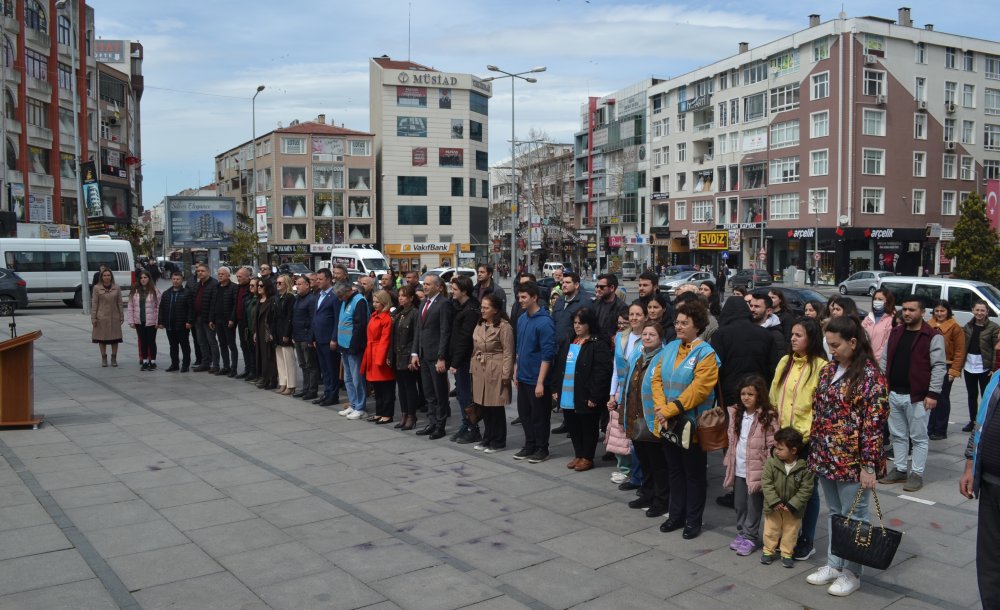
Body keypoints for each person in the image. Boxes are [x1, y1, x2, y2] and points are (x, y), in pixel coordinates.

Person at [806, 315, 888, 597]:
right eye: (829, 344)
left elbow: (874, 424)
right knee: (837, 513)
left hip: (853, 460)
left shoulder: (870, 377)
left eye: (836, 345)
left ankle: (853, 572)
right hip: (826, 455)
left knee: (857, 517)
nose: (832, 350)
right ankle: (834, 563)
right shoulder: (829, 370)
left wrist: (869, 465)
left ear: (853, 342)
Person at [653, 300, 721, 540]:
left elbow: (700, 389)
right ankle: (676, 515)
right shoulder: (671, 346)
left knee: (693, 475)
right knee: (674, 471)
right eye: (677, 322)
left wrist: (670, 409)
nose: (679, 326)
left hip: (691, 425)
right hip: (668, 422)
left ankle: (693, 520)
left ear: (698, 326)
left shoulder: (706, 354)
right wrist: (661, 408)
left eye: (684, 323)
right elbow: (656, 378)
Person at [769, 316, 828, 561]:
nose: (792, 338)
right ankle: (785, 535)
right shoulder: (785, 361)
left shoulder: (822, 367)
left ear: (811, 339)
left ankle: (807, 539)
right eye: (791, 334)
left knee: (808, 491)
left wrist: (803, 437)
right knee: (782, 488)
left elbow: (820, 407)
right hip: (782, 438)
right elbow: (774, 396)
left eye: (798, 335)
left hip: (805, 440)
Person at [878, 296, 946, 493]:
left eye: (912, 310)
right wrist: (882, 386)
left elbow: (939, 367)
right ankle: (899, 470)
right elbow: (884, 360)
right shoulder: (896, 332)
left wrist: (933, 394)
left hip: (917, 397)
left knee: (918, 437)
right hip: (893, 393)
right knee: (898, 436)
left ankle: (916, 473)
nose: (907, 313)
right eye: (905, 309)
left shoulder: (932, 336)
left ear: (922, 312)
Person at [551, 307, 613, 472]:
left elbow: (602, 371)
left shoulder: (597, 343)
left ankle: (587, 457)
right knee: (573, 426)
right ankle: (578, 454)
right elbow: (560, 365)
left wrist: (595, 395)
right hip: (568, 393)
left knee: (588, 427)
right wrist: (556, 388)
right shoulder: (570, 340)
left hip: (585, 394)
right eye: (575, 323)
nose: (577, 326)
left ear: (589, 324)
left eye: (581, 323)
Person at [723, 375, 778, 557]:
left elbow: (772, 444)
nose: (746, 397)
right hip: (739, 467)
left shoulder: (766, 417)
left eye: (751, 394)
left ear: (759, 396)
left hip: (756, 469)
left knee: (754, 505)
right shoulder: (736, 413)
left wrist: (770, 464)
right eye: (743, 393)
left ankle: (751, 536)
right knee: (739, 504)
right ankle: (742, 532)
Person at [616, 320, 668, 512]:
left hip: (652, 418)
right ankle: (647, 494)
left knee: (658, 463)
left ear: (660, 338)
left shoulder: (663, 358)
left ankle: (661, 500)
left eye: (651, 335)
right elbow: (628, 384)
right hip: (636, 416)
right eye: (645, 334)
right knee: (644, 460)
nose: (647, 338)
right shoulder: (638, 356)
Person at [960, 364, 1000, 606]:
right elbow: (980, 423)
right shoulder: (997, 377)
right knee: (990, 560)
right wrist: (969, 464)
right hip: (990, 482)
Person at [512, 281, 557, 463]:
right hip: (523, 376)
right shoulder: (522, 318)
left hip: (537, 379)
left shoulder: (545, 322)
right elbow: (519, 348)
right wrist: (516, 370)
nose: (520, 300)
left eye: (524, 297)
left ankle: (541, 448)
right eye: (519, 297)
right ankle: (529, 444)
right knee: (525, 414)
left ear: (534, 298)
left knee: (540, 416)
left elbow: (547, 355)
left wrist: (540, 382)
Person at [711, 296, 782, 406]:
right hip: (758, 390)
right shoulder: (765, 334)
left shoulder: (720, 335)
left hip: (730, 392)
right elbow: (773, 367)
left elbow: (716, 367)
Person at [761, 427, 815, 568]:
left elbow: (806, 488)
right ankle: (768, 551)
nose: (776, 451)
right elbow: (766, 483)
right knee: (770, 529)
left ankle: (787, 553)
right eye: (776, 447)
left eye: (780, 448)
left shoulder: (804, 467)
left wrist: (792, 504)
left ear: (793, 450)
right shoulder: (771, 463)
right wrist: (774, 501)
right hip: (774, 507)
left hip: (793, 509)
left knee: (791, 531)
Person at [470, 292, 515, 453]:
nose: (482, 310)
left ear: (495, 310)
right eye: (481, 307)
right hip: (480, 368)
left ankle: (498, 440)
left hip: (495, 368)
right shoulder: (480, 324)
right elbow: (475, 348)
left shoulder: (504, 327)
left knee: (495, 406)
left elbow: (509, 352)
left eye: (486, 308)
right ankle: (487, 437)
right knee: (483, 405)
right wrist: (472, 368)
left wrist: (506, 374)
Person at [609, 302, 647, 487]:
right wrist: (611, 394)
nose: (634, 318)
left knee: (638, 435)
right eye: (631, 314)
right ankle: (628, 471)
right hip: (622, 391)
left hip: (641, 394)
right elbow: (616, 368)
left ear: (645, 317)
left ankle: (638, 476)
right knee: (621, 433)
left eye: (638, 314)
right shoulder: (621, 337)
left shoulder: (650, 337)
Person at [413, 274, 453, 439]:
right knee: (428, 392)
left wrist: (441, 357)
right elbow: (419, 330)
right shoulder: (424, 303)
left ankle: (440, 425)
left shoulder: (444, 304)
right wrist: (415, 353)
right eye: (424, 284)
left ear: (438, 287)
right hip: (423, 355)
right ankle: (431, 422)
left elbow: (445, 331)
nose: (425, 287)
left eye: (429, 284)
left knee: (439, 392)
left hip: (436, 356)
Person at [551, 272, 589, 434]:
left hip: (575, 348)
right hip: (558, 349)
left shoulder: (584, 302)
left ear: (576, 285)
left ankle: (575, 422)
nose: (564, 285)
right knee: (562, 385)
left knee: (574, 386)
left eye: (567, 282)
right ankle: (567, 420)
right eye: (562, 283)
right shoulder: (560, 301)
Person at [448, 275, 481, 443]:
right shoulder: (459, 306)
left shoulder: (471, 310)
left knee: (466, 395)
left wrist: (455, 362)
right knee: (461, 394)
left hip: (466, 360)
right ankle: (465, 424)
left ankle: (472, 428)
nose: (451, 292)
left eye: (454, 289)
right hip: (459, 358)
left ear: (464, 291)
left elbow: (465, 338)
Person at [928, 300, 966, 440]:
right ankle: (929, 427)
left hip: (946, 366)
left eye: (942, 311)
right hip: (929, 366)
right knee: (929, 396)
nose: (939, 313)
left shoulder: (955, 327)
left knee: (942, 399)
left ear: (948, 312)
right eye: (937, 311)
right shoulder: (928, 325)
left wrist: (954, 371)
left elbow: (960, 351)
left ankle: (940, 430)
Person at [963, 300, 1000, 433]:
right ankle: (972, 421)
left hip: (985, 367)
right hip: (968, 366)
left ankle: (985, 421)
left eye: (982, 310)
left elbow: (996, 350)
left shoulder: (994, 327)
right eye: (977, 310)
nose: (979, 313)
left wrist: (993, 368)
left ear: (987, 312)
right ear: (973, 310)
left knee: (986, 395)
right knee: (971, 395)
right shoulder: (967, 326)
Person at [335, 281, 369, 419]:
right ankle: (353, 404)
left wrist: (355, 346)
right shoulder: (346, 300)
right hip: (344, 345)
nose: (339, 298)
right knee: (348, 378)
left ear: (348, 291)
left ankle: (360, 407)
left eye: (340, 295)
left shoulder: (359, 301)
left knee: (356, 378)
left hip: (353, 346)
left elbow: (360, 325)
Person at [362, 290, 396, 424]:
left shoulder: (386, 318)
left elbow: (385, 340)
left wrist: (380, 359)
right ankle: (379, 412)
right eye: (374, 302)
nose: (375, 304)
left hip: (379, 353)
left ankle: (387, 414)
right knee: (377, 386)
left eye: (377, 302)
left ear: (384, 302)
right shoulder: (375, 315)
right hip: (372, 351)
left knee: (386, 386)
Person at [391, 285, 421, 430]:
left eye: (403, 296)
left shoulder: (414, 313)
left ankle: (411, 415)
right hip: (397, 355)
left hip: (407, 356)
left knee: (409, 387)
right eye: (399, 295)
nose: (400, 298)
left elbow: (416, 336)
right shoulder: (398, 313)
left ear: (410, 298)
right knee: (401, 387)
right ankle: (404, 414)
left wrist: (412, 356)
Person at [312, 269, 341, 407]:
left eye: (320, 279)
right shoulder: (319, 294)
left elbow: (337, 319)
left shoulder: (334, 296)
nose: (318, 281)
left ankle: (333, 395)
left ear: (329, 279)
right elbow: (316, 316)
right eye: (317, 279)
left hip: (329, 339)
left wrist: (334, 338)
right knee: (324, 369)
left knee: (331, 368)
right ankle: (327, 392)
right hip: (319, 338)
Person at [125, 270, 160, 371]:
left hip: (151, 321)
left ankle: (152, 361)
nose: (143, 279)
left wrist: (158, 321)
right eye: (141, 278)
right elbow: (130, 306)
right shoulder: (135, 291)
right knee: (143, 341)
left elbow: (159, 306)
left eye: (145, 277)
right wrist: (131, 321)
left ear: (149, 279)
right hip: (139, 321)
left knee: (151, 341)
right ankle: (144, 361)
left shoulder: (155, 290)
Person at [158, 271, 192, 372]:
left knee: (184, 345)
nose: (175, 281)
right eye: (174, 279)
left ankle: (185, 365)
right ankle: (174, 364)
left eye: (178, 279)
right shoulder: (166, 293)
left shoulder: (187, 293)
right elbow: (161, 308)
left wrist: (189, 321)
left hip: (182, 325)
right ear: (171, 280)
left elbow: (191, 309)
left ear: (182, 280)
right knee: (173, 346)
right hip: (169, 325)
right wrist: (161, 322)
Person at [292, 275, 319, 400]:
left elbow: (314, 320)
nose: (297, 286)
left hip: (306, 336)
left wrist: (310, 338)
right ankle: (305, 388)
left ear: (307, 285)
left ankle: (312, 390)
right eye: (297, 284)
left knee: (310, 365)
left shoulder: (312, 299)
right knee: (302, 364)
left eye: (300, 284)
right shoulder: (297, 298)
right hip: (298, 336)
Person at [191, 264, 221, 373]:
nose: (200, 273)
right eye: (198, 271)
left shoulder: (214, 284)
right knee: (201, 341)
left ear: (208, 272)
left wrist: (211, 319)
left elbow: (214, 303)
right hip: (198, 318)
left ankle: (216, 364)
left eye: (202, 271)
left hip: (209, 319)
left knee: (212, 341)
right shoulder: (197, 285)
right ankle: (205, 363)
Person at [91, 269, 124, 367]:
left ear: (111, 276)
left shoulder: (116, 287)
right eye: (104, 275)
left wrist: (121, 315)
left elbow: (120, 303)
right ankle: (104, 358)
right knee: (102, 339)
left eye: (108, 275)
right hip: (102, 318)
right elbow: (94, 303)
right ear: (101, 277)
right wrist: (94, 318)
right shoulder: (96, 288)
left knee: (115, 339)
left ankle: (114, 358)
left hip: (114, 317)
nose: (107, 277)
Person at [272, 274, 297, 395]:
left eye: (280, 283)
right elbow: (274, 316)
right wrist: (272, 332)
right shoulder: (278, 297)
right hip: (277, 331)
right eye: (276, 283)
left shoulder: (290, 297)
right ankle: (283, 382)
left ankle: (291, 385)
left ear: (286, 284)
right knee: (280, 359)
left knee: (288, 360)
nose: (277, 285)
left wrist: (287, 333)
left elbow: (289, 317)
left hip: (285, 331)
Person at [212, 267, 239, 377]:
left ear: (228, 275)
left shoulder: (233, 287)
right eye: (218, 274)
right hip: (218, 320)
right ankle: (226, 366)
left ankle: (234, 368)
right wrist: (211, 319)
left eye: (222, 274)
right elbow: (213, 304)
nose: (220, 276)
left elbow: (235, 305)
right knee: (222, 344)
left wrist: (232, 319)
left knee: (231, 344)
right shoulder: (216, 287)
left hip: (228, 320)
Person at [253, 279, 279, 390]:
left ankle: (272, 379)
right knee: (262, 355)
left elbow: (273, 318)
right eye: (258, 285)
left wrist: (271, 333)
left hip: (267, 331)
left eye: (261, 286)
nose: (259, 287)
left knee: (269, 356)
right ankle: (264, 378)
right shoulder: (259, 300)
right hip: (259, 331)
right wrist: (255, 332)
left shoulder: (271, 300)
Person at [861, 289, 896, 366]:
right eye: (875, 299)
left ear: (888, 301)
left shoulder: (892, 320)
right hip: (864, 360)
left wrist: (874, 359)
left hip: (879, 363)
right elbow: (860, 336)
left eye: (880, 299)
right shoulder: (869, 318)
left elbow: (887, 345)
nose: (876, 301)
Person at [232, 267, 255, 378]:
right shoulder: (237, 288)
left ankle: (253, 370)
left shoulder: (251, 288)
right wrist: (233, 319)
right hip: (240, 321)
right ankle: (247, 368)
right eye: (237, 276)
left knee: (251, 346)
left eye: (240, 276)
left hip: (249, 323)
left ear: (247, 277)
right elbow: (236, 304)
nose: (238, 278)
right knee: (243, 345)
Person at [593, 273, 628, 341]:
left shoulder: (622, 307)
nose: (598, 289)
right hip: (596, 345)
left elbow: (622, 331)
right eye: (597, 286)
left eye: (602, 287)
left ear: (612, 288)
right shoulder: (596, 303)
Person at [243, 278, 260, 382]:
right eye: (250, 285)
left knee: (257, 353)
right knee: (251, 352)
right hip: (248, 329)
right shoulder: (249, 298)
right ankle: (252, 371)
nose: (251, 287)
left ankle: (258, 373)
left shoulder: (260, 299)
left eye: (253, 285)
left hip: (256, 330)